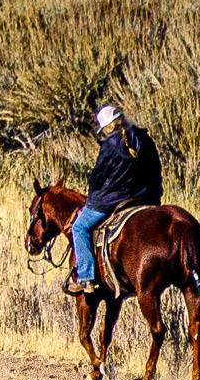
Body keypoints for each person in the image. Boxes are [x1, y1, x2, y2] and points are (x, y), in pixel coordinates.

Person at [68, 101, 160, 297]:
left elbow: (98, 177)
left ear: (107, 127)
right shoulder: (143, 137)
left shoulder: (110, 144)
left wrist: (92, 198)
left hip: (112, 201)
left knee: (79, 228)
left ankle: (86, 278)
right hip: (146, 199)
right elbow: (156, 169)